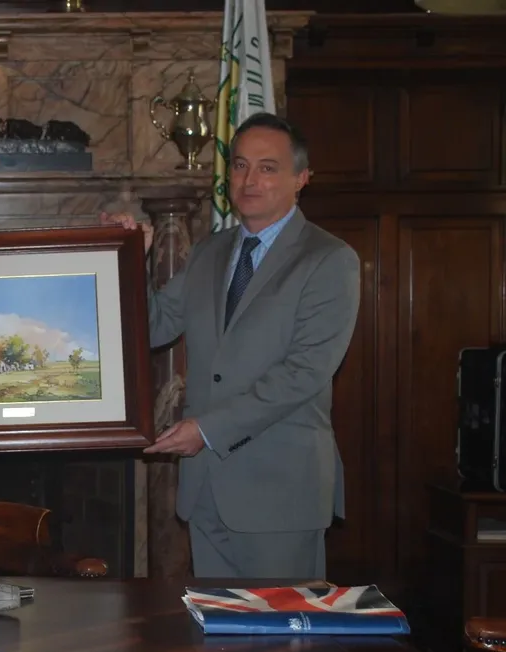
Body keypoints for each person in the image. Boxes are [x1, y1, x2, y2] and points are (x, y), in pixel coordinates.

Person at [104, 112, 360, 579]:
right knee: (219, 642)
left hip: (280, 492)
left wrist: (206, 430)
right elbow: (154, 326)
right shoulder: (210, 251)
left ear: (301, 178)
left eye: (268, 167)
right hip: (206, 489)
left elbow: (304, 373)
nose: (250, 179)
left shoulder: (329, 260)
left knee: (282, 642)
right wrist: (127, 259)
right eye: (240, 165)